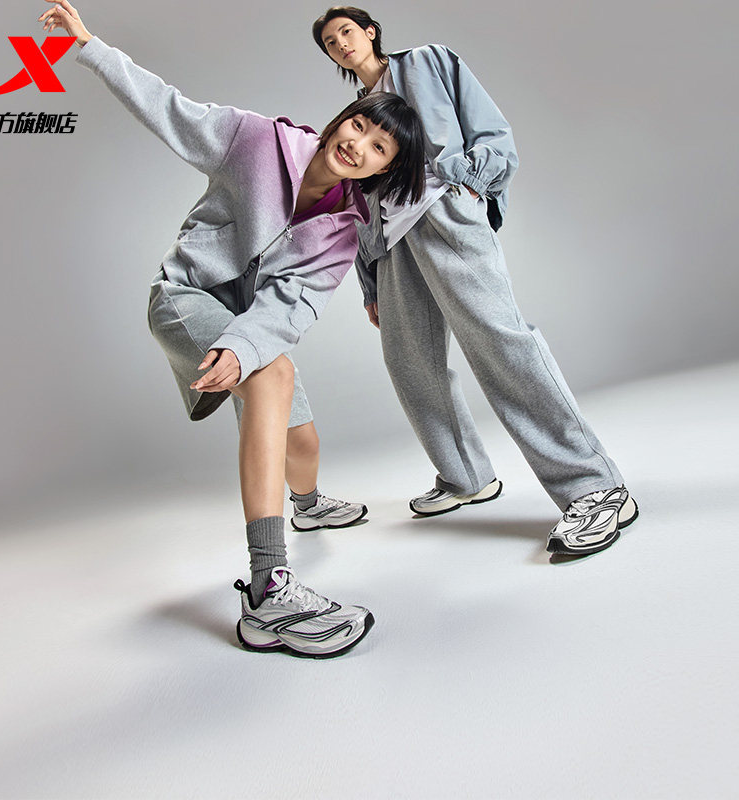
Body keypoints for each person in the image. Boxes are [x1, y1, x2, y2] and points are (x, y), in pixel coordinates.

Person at [39, 0, 426, 657]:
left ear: (382, 169)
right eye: (359, 124)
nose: (358, 144)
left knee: (302, 441)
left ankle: (308, 504)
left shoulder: (343, 231)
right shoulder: (256, 141)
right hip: (185, 296)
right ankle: (269, 591)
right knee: (273, 377)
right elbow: (167, 108)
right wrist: (90, 46)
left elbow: (294, 306)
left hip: (248, 324)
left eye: (378, 148)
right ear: (343, 118)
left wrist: (244, 344)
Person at [312, 7, 639, 556]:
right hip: (392, 245)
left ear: (369, 31)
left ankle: (595, 486)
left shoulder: (429, 62)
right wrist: (369, 282)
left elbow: (490, 129)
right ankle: (466, 476)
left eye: (346, 30)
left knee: (499, 343)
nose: (340, 43)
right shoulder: (356, 116)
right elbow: (358, 199)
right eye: (329, 41)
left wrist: (472, 179)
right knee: (409, 363)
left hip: (443, 214)